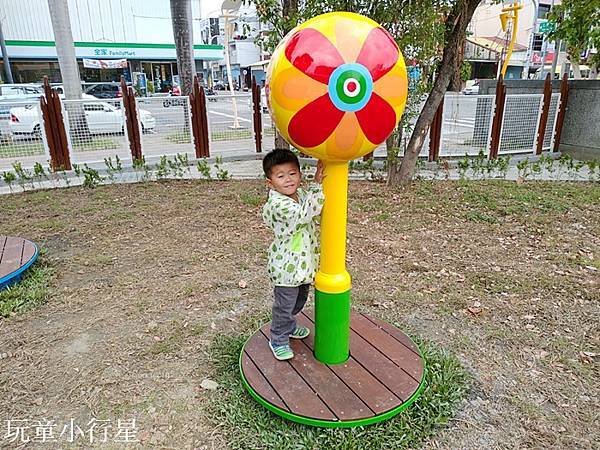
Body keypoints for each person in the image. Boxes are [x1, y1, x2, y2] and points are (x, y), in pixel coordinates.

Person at [262, 149, 325, 361]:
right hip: (286, 267)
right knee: (285, 305)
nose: (288, 179)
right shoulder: (278, 204)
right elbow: (305, 214)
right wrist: (317, 185)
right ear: (270, 183)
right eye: (281, 176)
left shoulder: (301, 195)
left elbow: (315, 204)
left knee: (299, 301)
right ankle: (278, 338)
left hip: (303, 264)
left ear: (299, 174)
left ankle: (288, 325)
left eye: (292, 173)